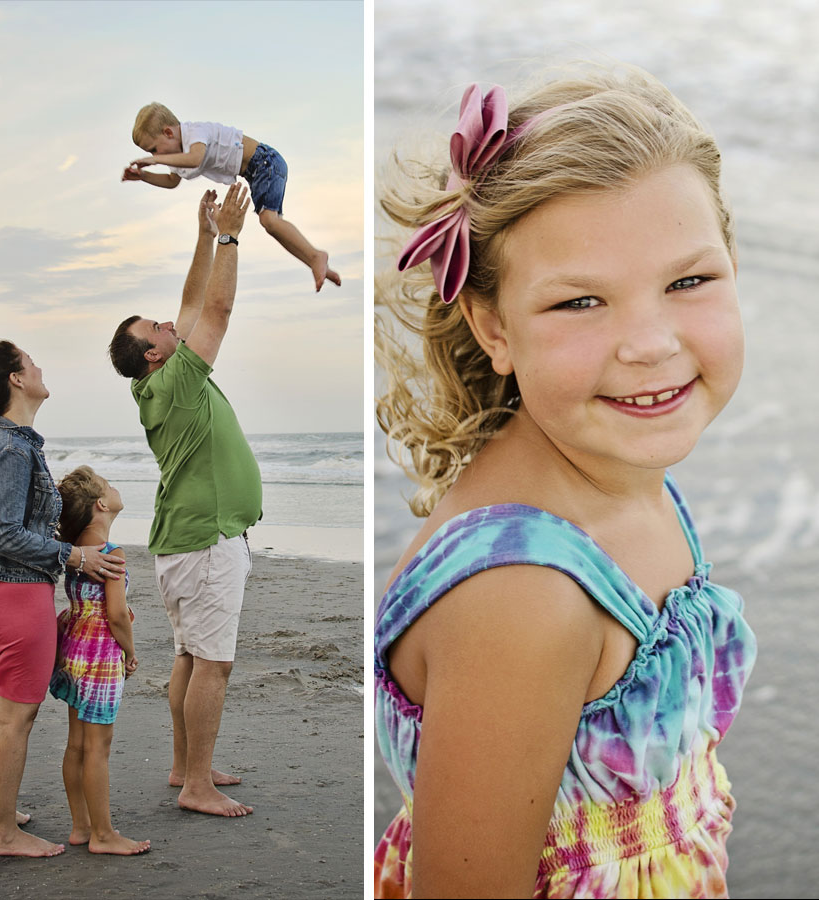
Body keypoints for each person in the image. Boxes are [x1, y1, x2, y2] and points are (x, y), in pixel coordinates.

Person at [374, 65, 757, 899]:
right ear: (491, 327)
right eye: (581, 302)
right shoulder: (524, 596)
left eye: (688, 281)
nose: (650, 343)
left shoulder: (615, 461)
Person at [108, 184, 258, 817]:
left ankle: (183, 766)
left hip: (188, 540)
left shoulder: (164, 378)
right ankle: (197, 783)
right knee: (213, 665)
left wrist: (202, 237)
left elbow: (192, 304)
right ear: (152, 353)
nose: (171, 324)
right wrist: (229, 237)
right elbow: (215, 311)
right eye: (158, 329)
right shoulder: (174, 380)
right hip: (205, 541)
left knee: (191, 657)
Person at [0, 341, 125, 858]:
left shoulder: (10, 443)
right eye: (31, 362)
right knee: (16, 716)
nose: (40, 366)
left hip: (11, 590)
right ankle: (3, 833)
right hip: (13, 592)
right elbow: (4, 533)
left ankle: (5, 811)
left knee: (14, 713)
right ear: (16, 380)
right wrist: (76, 557)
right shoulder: (10, 448)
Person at [121, 101, 341, 293]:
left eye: (154, 149)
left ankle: (315, 256)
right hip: (254, 174)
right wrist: (143, 176)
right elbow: (172, 182)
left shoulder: (195, 132)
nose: (154, 156)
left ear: (169, 133)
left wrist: (157, 161)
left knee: (269, 221)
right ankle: (315, 262)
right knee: (272, 225)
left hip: (265, 161)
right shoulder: (177, 157)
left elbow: (196, 158)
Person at [49, 465, 150, 855]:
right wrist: (130, 650)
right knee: (98, 748)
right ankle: (104, 835)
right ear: (102, 504)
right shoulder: (111, 553)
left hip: (73, 645)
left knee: (76, 743)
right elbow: (117, 614)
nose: (115, 487)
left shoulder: (78, 550)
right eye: (110, 485)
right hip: (101, 654)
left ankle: (81, 826)